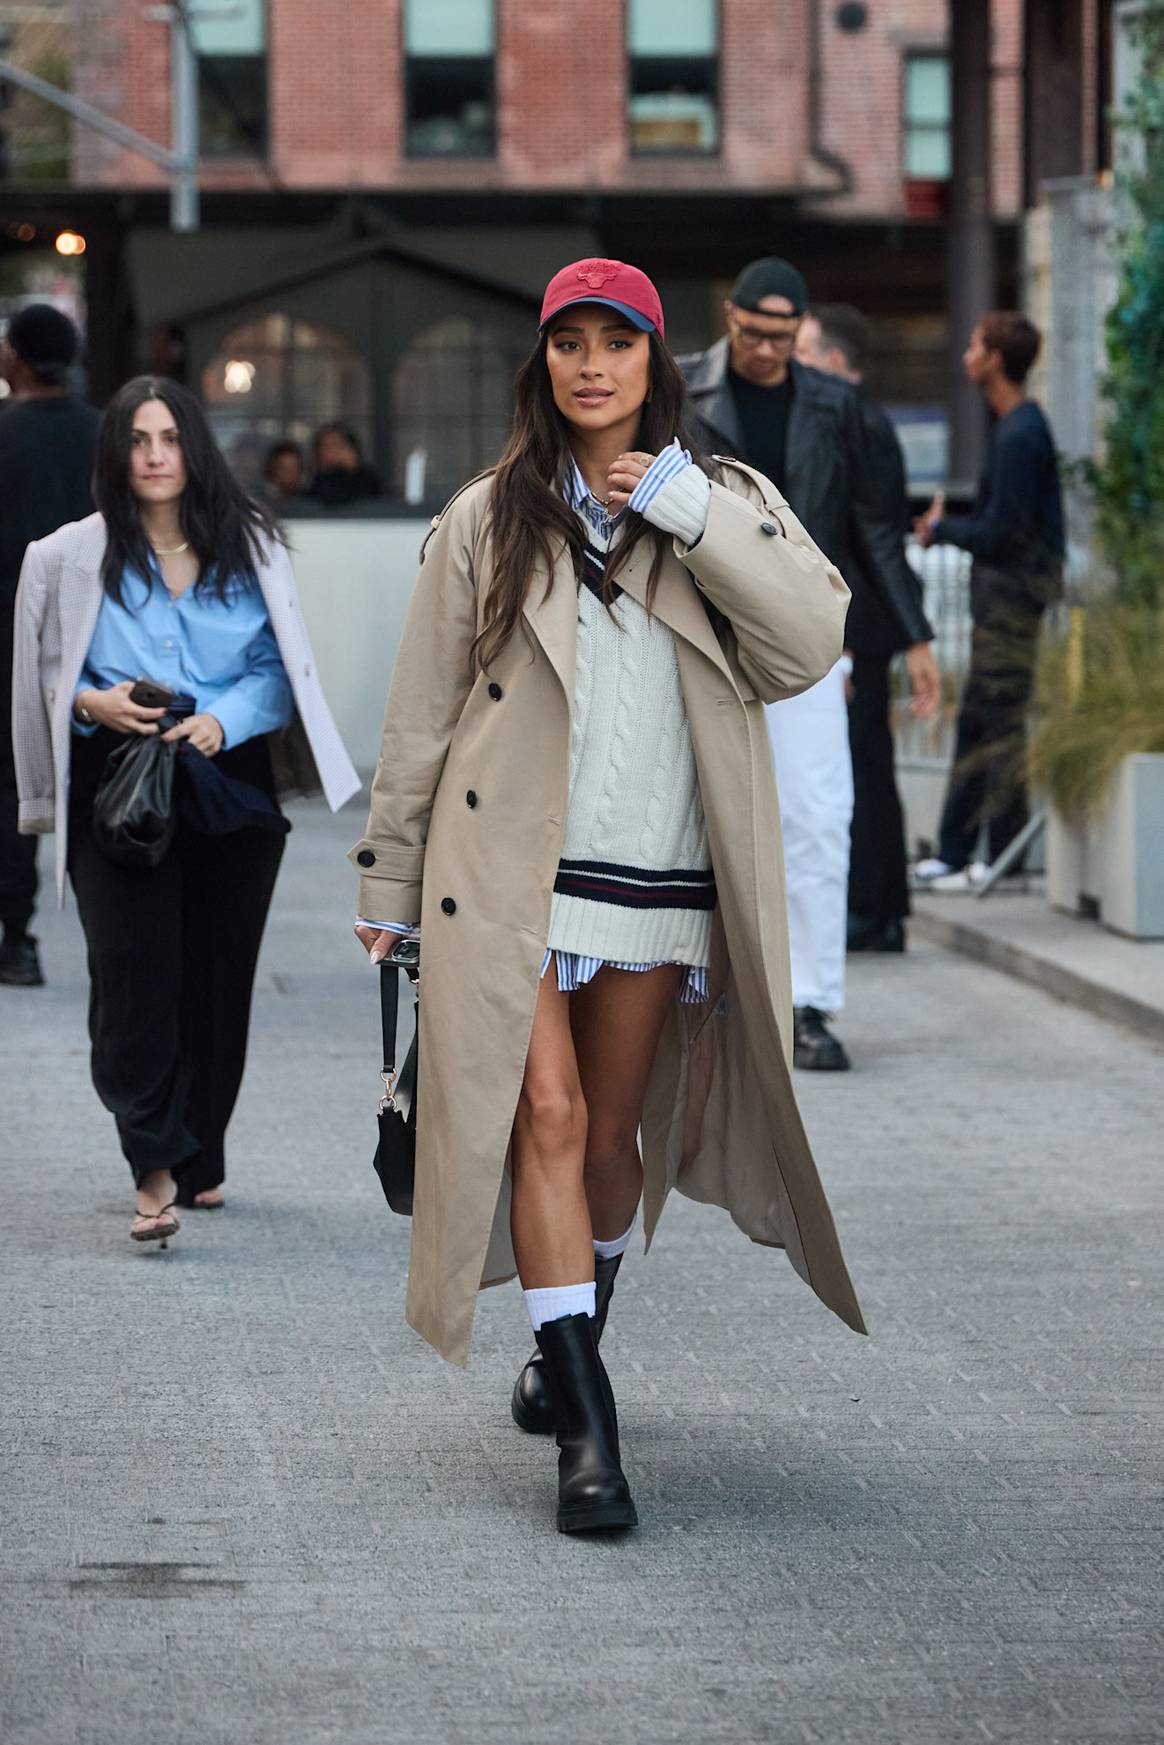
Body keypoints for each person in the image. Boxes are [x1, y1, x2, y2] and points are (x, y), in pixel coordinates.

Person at [351, 258, 865, 1538]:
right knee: (549, 1116)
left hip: (657, 873)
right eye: (570, 342)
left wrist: (694, 513)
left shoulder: (724, 497)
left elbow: (812, 641)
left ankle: (564, 1333)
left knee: (614, 1144)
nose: (592, 365)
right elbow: (423, 709)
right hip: (509, 870)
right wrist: (392, 875)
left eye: (617, 343)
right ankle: (588, 1424)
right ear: (544, 363)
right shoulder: (490, 514)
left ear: (654, 362)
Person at [12, 377, 358, 1244]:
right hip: (116, 785)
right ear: (116, 453)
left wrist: (219, 718)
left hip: (224, 783)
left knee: (214, 977)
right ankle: (153, 1166)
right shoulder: (63, 555)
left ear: (194, 449)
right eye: (137, 438)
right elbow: (40, 678)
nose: (156, 454)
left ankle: (199, 1149)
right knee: (132, 977)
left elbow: (280, 674)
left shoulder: (254, 548)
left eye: (170, 437)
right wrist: (94, 702)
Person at [680, 259, 938, 1070]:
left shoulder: (838, 408)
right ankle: (691, 996)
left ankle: (811, 1004)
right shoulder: (681, 392)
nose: (764, 348)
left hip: (805, 640)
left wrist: (915, 637)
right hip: (698, 631)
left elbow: (876, 532)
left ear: (802, 332)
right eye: (751, 331)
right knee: (688, 819)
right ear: (729, 315)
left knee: (821, 817)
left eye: (781, 336)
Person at [795, 304, 939, 952]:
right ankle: (878, 909)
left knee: (862, 770)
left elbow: (868, 537)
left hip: (861, 627)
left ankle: (876, 909)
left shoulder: (856, 420)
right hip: (859, 623)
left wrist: (861, 638)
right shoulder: (845, 417)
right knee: (862, 767)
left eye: (801, 352)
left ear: (832, 362)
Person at [913, 312, 1065, 889]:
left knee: (996, 726)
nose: (966, 355)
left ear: (996, 359)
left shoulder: (1022, 432)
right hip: (1004, 600)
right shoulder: (1015, 428)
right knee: (983, 724)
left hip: (1012, 603)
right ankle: (962, 854)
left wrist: (944, 531)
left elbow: (1006, 533)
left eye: (976, 345)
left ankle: (993, 857)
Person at [0, 305, 100, 988]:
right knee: (96, 776)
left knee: (10, 782)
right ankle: (109, 931)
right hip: (95, 628)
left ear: (19, 359)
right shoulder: (105, 433)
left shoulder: (2, 433)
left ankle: (19, 938)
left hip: (6, 628)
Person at [311, 423, 381, 507]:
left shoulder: (370, 481)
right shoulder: (315, 485)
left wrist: (350, 469)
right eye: (326, 447)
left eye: (337, 445)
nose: (333, 452)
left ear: (353, 450)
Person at [264, 440, 306, 505]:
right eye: (283, 469)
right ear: (272, 471)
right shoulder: (262, 504)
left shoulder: (311, 506)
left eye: (293, 469)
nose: (288, 475)